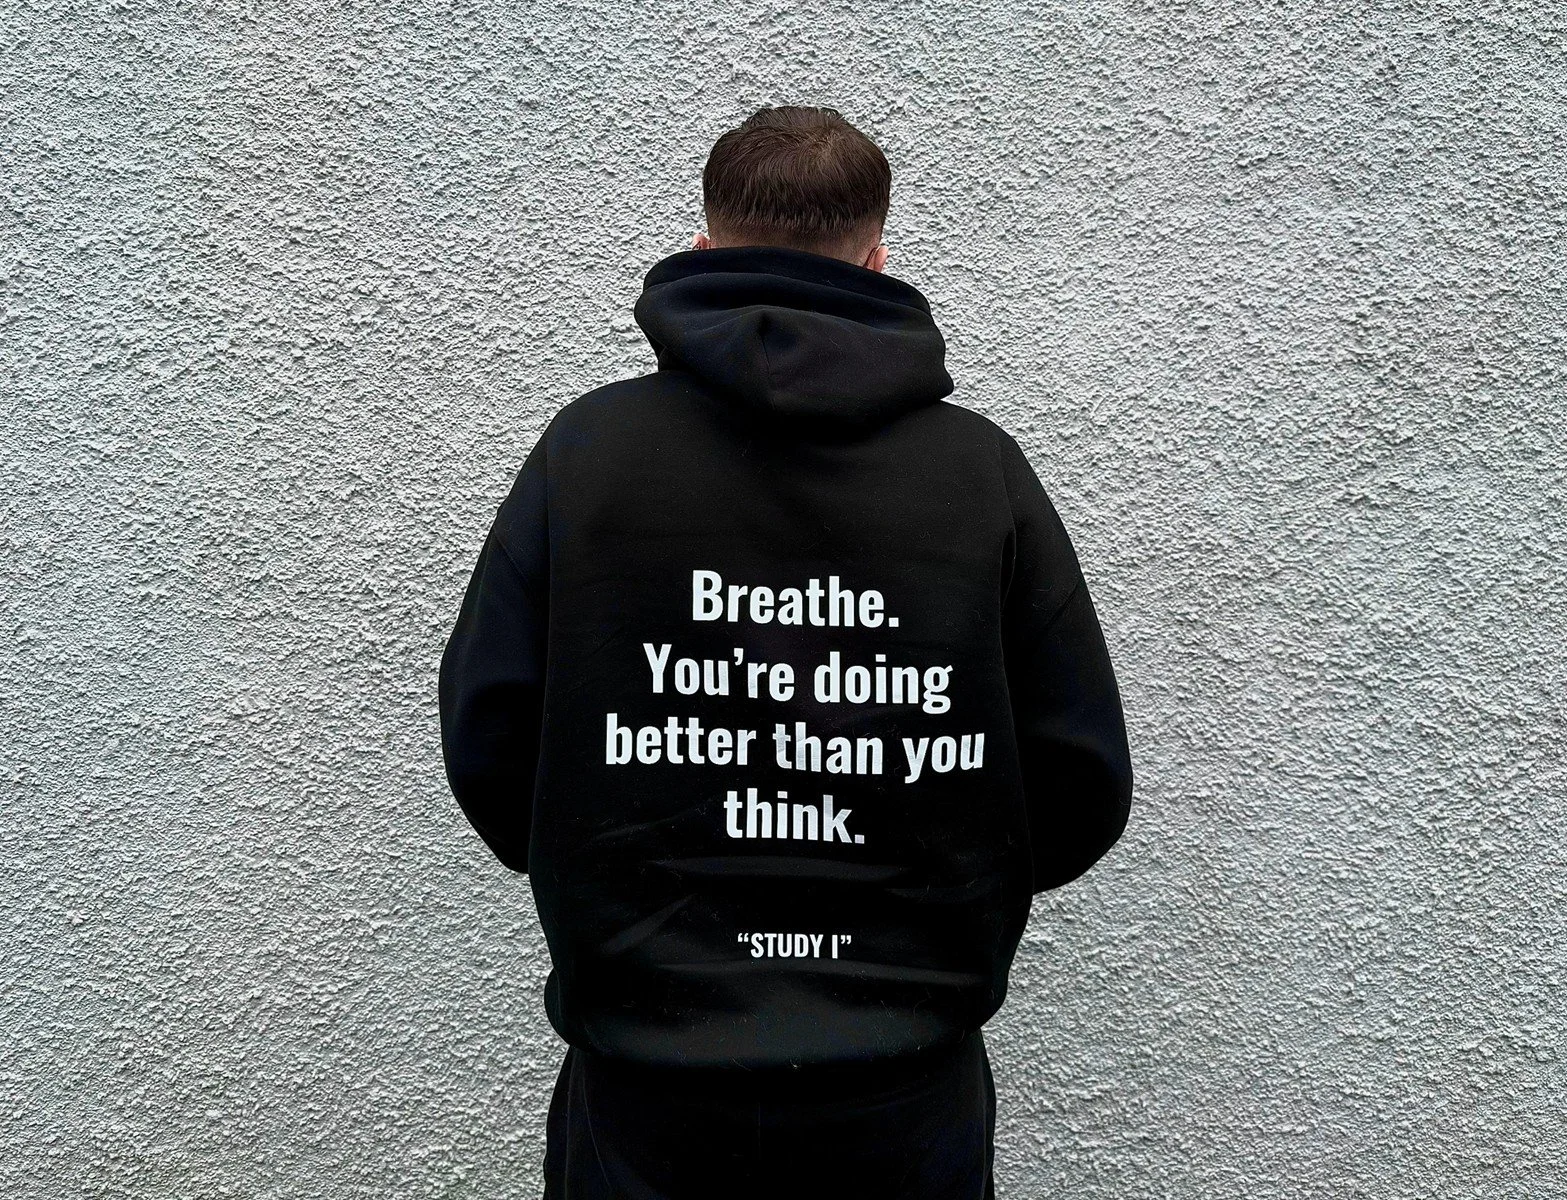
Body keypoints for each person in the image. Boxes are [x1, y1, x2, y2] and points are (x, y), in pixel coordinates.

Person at [438, 104, 1134, 1199]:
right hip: (901, 1084)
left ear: (704, 245)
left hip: (647, 1080)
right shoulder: (977, 471)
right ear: (877, 257)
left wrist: (627, 891)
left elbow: (489, 736)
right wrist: (923, 893)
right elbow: (1079, 777)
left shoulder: (588, 454)